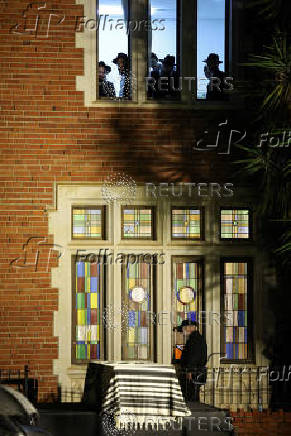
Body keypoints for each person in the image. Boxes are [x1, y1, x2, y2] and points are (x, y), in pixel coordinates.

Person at [179, 320, 207, 402]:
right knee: (192, 393)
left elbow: (194, 356)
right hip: (195, 371)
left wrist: (190, 371)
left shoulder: (194, 339)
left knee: (191, 394)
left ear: (190, 328)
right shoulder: (196, 338)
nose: (183, 331)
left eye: (184, 328)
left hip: (194, 372)